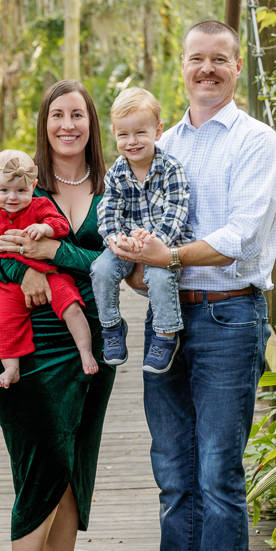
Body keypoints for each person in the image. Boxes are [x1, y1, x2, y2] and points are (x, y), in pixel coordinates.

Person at [112, 20, 276, 551]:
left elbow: (240, 233)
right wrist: (134, 260)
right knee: (174, 472)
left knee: (218, 473)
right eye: (196, 59)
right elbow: (136, 221)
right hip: (166, 318)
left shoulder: (257, 142)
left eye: (219, 59)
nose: (206, 69)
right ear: (181, 66)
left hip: (228, 318)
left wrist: (166, 257)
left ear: (238, 67)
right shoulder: (159, 145)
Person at [0, 80, 115, 551]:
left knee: (73, 468)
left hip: (87, 339)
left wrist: (55, 254)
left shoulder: (113, 185)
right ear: (44, 122)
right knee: (44, 457)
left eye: (78, 114)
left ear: (92, 124)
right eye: (57, 114)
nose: (68, 124)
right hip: (18, 341)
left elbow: (114, 259)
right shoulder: (14, 175)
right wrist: (21, 271)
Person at [0, 149, 98, 387]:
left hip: (51, 274)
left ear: (33, 186)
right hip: (10, 285)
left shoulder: (39, 206)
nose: (12, 197)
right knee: (5, 322)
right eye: (4, 190)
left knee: (71, 306)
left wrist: (44, 229)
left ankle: (85, 351)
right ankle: (11, 368)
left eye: (21, 190)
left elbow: (60, 225)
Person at [91, 87, 194, 374]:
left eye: (140, 133)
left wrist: (156, 240)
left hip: (162, 246)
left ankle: (164, 335)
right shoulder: (115, 173)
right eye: (123, 135)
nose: (132, 141)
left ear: (158, 131)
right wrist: (115, 240)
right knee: (100, 269)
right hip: (126, 244)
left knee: (161, 277)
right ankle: (111, 327)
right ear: (114, 134)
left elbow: (177, 211)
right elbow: (107, 211)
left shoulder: (171, 169)